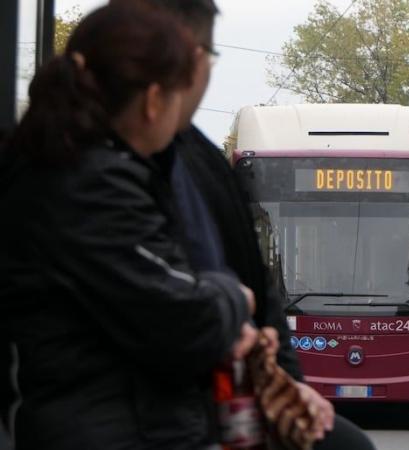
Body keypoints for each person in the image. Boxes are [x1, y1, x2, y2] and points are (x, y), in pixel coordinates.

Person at [0, 3, 259, 449]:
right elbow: (183, 319)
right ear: (154, 101)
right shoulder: (95, 183)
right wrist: (234, 295)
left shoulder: (71, 166)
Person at [128, 1, 376, 448]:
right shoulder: (122, 165)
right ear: (193, 58)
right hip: (162, 411)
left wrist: (291, 385)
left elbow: (256, 287)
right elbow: (168, 302)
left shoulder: (197, 158)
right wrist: (234, 311)